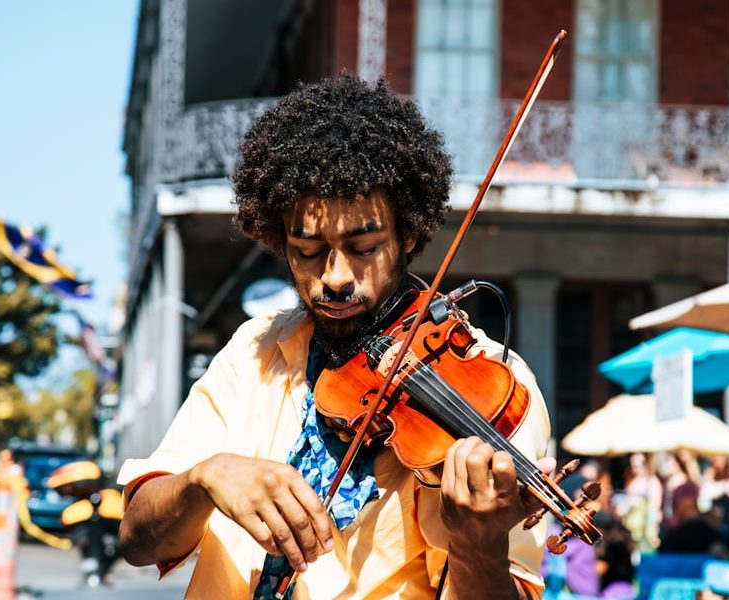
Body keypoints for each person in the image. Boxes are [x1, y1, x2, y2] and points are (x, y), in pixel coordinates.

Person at [117, 75, 554, 599]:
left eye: (364, 246)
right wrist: (204, 479)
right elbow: (137, 539)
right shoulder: (252, 350)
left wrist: (478, 545)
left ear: (408, 233)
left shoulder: (493, 382)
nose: (335, 276)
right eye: (306, 250)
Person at [618, 452, 662, 554]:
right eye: (632, 465)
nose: (634, 468)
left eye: (637, 465)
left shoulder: (652, 481)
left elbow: (655, 507)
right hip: (631, 529)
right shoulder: (631, 481)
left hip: (645, 530)